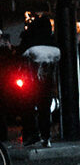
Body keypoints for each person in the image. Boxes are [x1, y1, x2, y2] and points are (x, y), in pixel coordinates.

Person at [18, 17, 59, 147]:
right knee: (45, 109)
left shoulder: (30, 42)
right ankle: (45, 136)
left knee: (27, 108)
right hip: (47, 82)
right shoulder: (53, 43)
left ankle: (31, 134)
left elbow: (20, 56)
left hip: (30, 81)